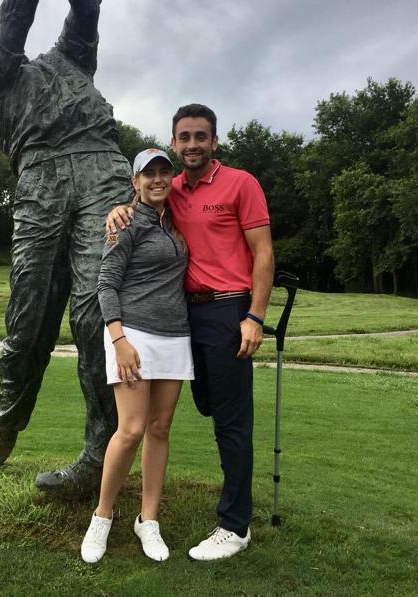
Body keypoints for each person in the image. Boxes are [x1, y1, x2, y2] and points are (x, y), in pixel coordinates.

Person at [0, 0, 133, 493]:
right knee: (28, 316)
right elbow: (12, 27)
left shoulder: (66, 60)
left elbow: (85, 15)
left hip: (102, 171)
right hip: (40, 180)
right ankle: (9, 411)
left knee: (98, 311)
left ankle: (98, 453)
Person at [106, 104, 274, 561]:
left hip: (229, 311)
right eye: (184, 137)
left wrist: (255, 317)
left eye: (201, 136)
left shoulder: (241, 183)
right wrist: (120, 210)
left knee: (231, 420)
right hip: (185, 318)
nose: (193, 144)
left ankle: (235, 526)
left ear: (214, 142)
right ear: (175, 142)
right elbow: (144, 200)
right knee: (201, 407)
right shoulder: (172, 187)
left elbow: (263, 253)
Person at [80, 149, 194, 563]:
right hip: (133, 337)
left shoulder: (177, 219)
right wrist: (119, 339)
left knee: (160, 428)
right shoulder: (124, 224)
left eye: (165, 172)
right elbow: (105, 284)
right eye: (149, 174)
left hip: (175, 336)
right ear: (135, 182)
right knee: (130, 429)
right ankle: (102, 517)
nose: (158, 180)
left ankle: (148, 521)